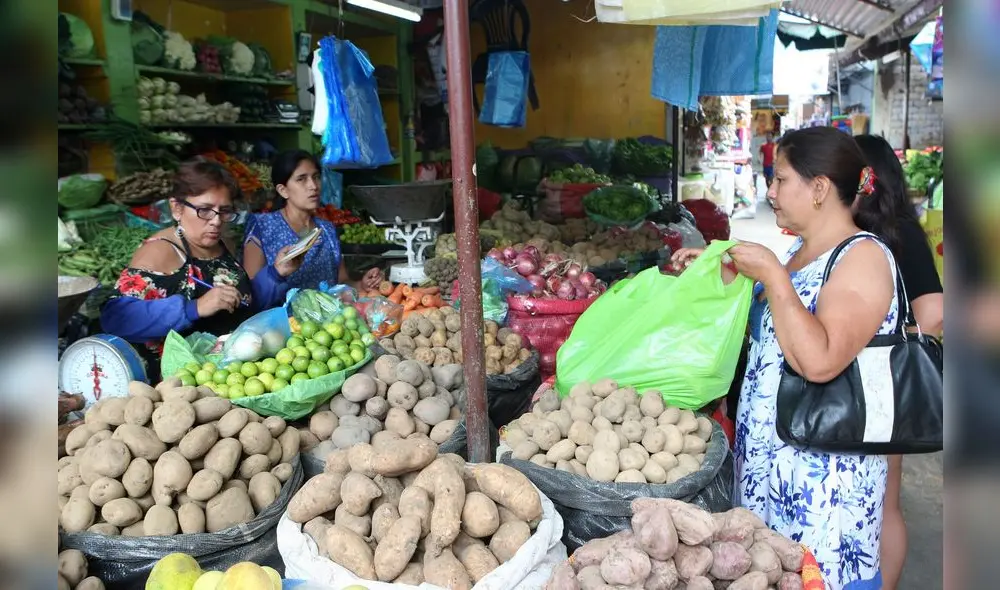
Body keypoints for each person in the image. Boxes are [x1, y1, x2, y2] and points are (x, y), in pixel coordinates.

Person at [673, 127, 900, 590]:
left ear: (819, 189)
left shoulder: (864, 258)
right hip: (770, 472)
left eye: (780, 180)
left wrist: (773, 277)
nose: (770, 192)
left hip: (824, 491)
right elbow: (779, 328)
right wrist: (726, 272)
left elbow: (819, 360)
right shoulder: (800, 252)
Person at [101, 160, 302, 376]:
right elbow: (116, 319)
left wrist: (276, 273)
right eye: (204, 210)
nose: (216, 221)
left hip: (231, 375)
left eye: (224, 211)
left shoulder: (219, 244)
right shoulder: (161, 251)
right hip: (179, 384)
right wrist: (193, 307)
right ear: (177, 208)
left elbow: (242, 303)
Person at [855, 134, 944, 590]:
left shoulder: (900, 232)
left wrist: (895, 350)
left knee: (885, 502)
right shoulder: (853, 230)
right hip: (850, 381)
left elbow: (934, 309)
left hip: (883, 383)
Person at [242, 150, 383, 292]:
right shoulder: (263, 226)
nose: (313, 186)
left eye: (316, 177)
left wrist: (362, 285)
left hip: (330, 313)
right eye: (301, 179)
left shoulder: (327, 229)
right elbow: (252, 290)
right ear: (283, 190)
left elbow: (341, 282)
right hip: (281, 314)